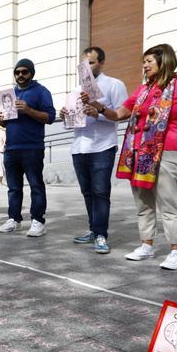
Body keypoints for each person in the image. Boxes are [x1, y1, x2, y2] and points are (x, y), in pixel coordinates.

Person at [84, 43, 177, 270]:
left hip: (167, 151)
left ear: (163, 61)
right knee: (143, 203)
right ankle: (146, 245)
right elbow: (118, 114)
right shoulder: (143, 90)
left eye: (148, 61)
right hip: (140, 153)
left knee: (168, 201)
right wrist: (97, 107)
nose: (144, 66)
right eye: (143, 62)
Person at [60, 47, 127, 254]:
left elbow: (122, 114)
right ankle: (93, 228)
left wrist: (99, 112)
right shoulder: (75, 89)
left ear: (101, 63)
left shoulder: (114, 85)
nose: (86, 67)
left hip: (102, 146)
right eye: (83, 64)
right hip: (79, 147)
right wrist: (65, 116)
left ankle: (101, 234)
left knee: (100, 192)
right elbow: (70, 124)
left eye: (91, 63)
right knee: (87, 192)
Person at [0, 59, 56, 237]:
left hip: (32, 147)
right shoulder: (10, 93)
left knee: (36, 186)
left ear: (32, 73)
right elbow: (7, 122)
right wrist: (2, 120)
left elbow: (50, 117)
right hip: (11, 147)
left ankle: (38, 221)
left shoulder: (41, 91)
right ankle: (14, 220)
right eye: (17, 72)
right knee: (13, 187)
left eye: (24, 72)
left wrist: (29, 110)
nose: (20, 75)